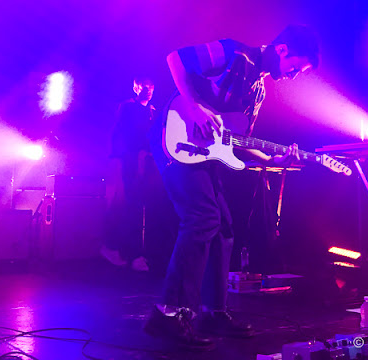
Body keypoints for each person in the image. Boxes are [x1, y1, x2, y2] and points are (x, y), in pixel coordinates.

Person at [144, 24, 321, 350]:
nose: (294, 75)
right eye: (296, 66)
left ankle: (214, 312)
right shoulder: (233, 52)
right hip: (175, 135)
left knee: (224, 226)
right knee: (202, 218)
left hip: (205, 154)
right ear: (282, 50)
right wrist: (195, 108)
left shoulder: (257, 92)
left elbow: (234, 142)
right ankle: (167, 314)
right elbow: (175, 60)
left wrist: (277, 154)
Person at [102, 77, 156, 272]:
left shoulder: (152, 111)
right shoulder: (127, 107)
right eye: (144, 87)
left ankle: (135, 254)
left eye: (151, 87)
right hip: (128, 161)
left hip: (144, 162)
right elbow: (120, 134)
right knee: (125, 204)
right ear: (135, 87)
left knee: (139, 207)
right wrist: (119, 159)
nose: (148, 90)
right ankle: (117, 249)